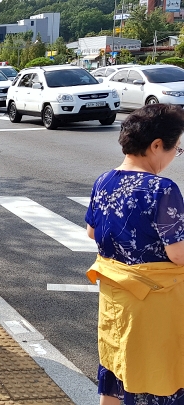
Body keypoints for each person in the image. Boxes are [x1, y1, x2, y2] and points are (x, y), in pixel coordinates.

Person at [85, 103, 184, 405]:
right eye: (176, 148)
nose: (175, 155)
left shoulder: (104, 180)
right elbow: (178, 254)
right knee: (157, 373)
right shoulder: (162, 189)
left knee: (116, 366)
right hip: (153, 304)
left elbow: (92, 232)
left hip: (116, 297)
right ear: (157, 145)